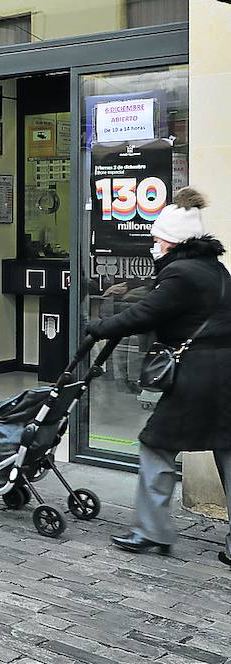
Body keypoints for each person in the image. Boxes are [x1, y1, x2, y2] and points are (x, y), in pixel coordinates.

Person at [86, 188, 231, 561]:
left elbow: (146, 313)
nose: (153, 245)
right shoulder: (215, 270)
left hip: (197, 375)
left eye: (155, 239)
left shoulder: (181, 273)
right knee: (228, 449)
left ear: (171, 241)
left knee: (157, 444)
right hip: (224, 373)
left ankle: (152, 530)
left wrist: (101, 326)